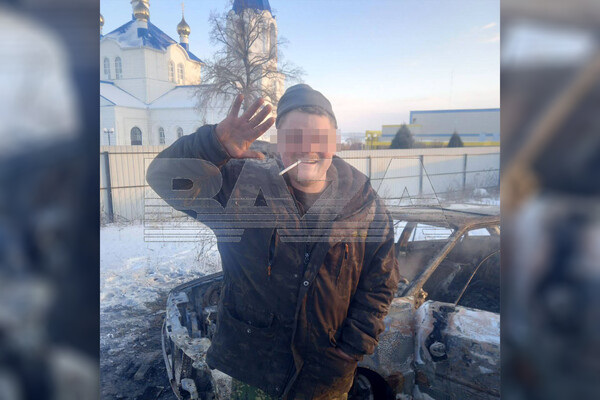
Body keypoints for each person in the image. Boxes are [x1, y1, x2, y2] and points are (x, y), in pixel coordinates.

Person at [146, 84, 399, 399]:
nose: (307, 148)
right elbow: (163, 179)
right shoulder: (240, 183)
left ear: (334, 140)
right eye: (294, 137)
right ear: (279, 140)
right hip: (252, 371)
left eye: (319, 137)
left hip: (325, 378)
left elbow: (381, 281)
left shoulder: (363, 202)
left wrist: (352, 347)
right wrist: (213, 146)